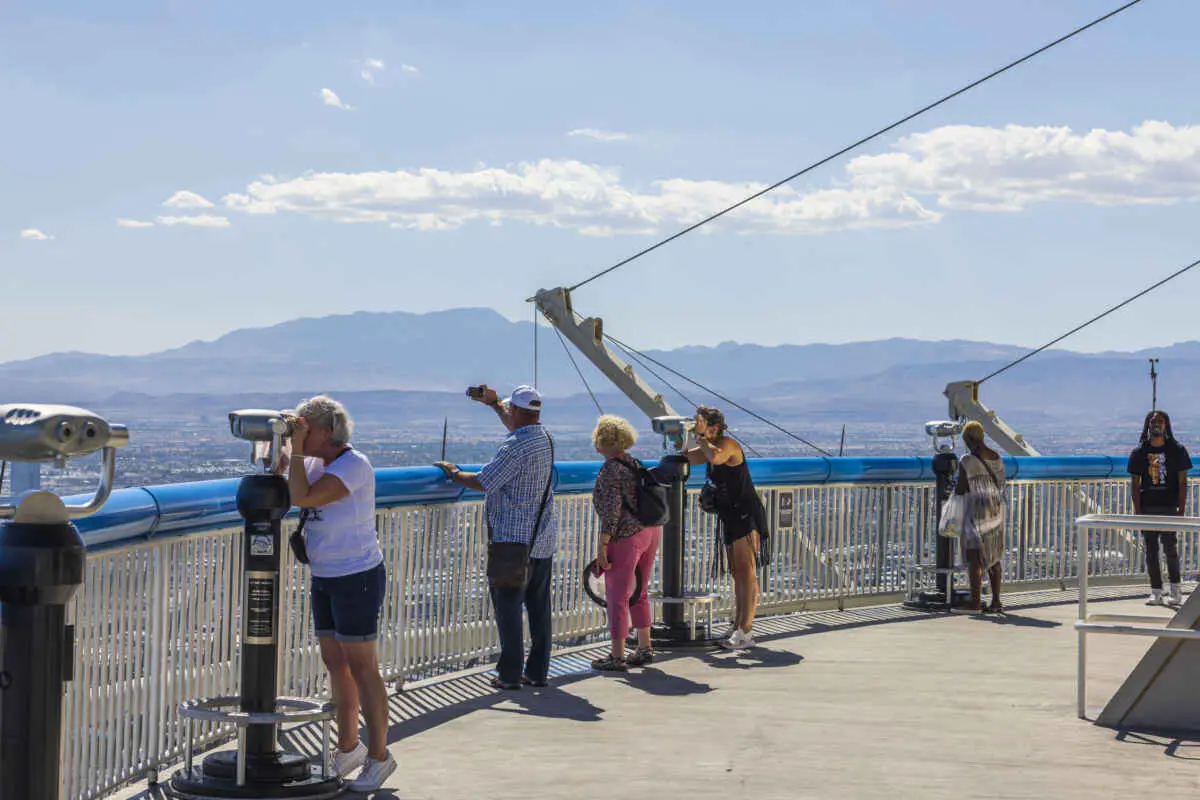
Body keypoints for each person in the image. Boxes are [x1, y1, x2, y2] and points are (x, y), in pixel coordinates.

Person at [283, 395, 396, 791]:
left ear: (327, 432)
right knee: (336, 663)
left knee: (363, 667)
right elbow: (280, 474)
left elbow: (303, 497)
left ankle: (380, 755)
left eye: (307, 430)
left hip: (356, 575)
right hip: (326, 575)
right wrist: (283, 439)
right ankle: (348, 748)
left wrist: (296, 451)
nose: (302, 436)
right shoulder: (314, 462)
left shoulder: (354, 466)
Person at [435, 384, 556, 689]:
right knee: (539, 609)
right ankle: (538, 671)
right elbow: (516, 422)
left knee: (508, 609)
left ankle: (510, 673)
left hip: (512, 543)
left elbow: (484, 480)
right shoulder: (544, 438)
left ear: (515, 410)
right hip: (541, 540)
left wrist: (453, 472)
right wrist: (493, 404)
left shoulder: (514, 447)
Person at [687, 406, 768, 649]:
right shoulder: (708, 446)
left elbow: (716, 457)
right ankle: (738, 625)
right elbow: (689, 457)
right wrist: (688, 436)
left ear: (714, 426)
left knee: (746, 572)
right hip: (730, 515)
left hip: (744, 513)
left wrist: (700, 437)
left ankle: (746, 629)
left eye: (700, 422)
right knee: (736, 572)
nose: (697, 425)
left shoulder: (728, 445)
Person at [589, 415, 662, 671]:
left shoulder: (611, 469)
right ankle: (644, 647)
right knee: (639, 590)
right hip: (650, 532)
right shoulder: (633, 463)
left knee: (617, 595)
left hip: (627, 536)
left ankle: (617, 655)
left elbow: (612, 511)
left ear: (603, 441)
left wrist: (602, 544)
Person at [1128, 410, 1191, 607]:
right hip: (1148, 507)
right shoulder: (1139, 453)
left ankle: (1175, 590)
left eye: (1160, 421)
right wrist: (1138, 511)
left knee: (1170, 549)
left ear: (1166, 425)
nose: (1157, 424)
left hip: (1169, 507)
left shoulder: (1177, 450)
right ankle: (1156, 591)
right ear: (1147, 425)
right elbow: (1135, 484)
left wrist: (1181, 509)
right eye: (1153, 421)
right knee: (1151, 550)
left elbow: (1182, 482)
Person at [954, 421, 1006, 614]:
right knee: (993, 555)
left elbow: (961, 488)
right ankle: (996, 601)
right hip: (995, 511)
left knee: (974, 556)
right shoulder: (997, 457)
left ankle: (975, 603)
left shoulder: (967, 461)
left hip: (976, 513)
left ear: (967, 440)